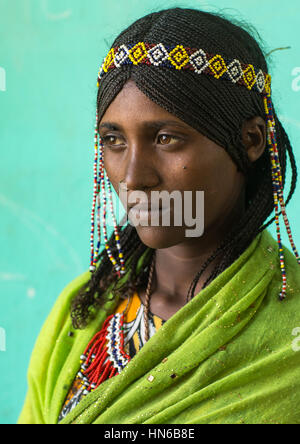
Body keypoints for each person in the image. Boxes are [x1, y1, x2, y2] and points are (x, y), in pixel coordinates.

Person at [19, 7, 300, 424]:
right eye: (114, 140)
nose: (133, 177)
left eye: (166, 138)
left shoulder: (288, 333)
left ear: (252, 140)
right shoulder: (81, 311)